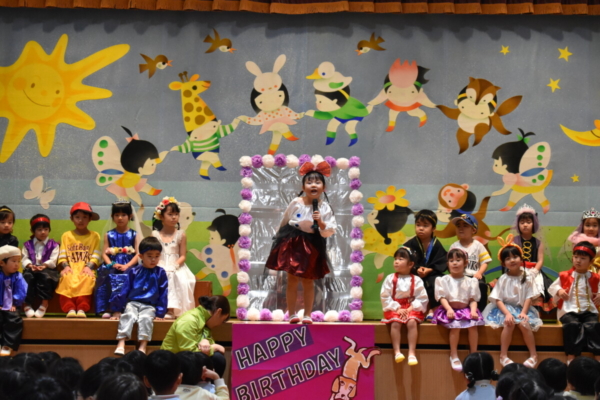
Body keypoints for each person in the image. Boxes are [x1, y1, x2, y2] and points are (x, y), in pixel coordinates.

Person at [264, 161, 337, 324]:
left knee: (308, 280)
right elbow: (285, 220)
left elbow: (330, 229)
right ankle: (292, 314)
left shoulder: (324, 207)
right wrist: (278, 239)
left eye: (317, 182)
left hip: (312, 244)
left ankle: (307, 315)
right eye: (309, 182)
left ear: (324, 188)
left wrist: (321, 222)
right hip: (293, 242)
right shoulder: (296, 202)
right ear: (303, 187)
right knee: (291, 279)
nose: (313, 185)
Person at [483, 235, 542, 368]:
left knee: (524, 324)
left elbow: (529, 297)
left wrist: (524, 312)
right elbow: (497, 299)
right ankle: (503, 355)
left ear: (521, 258)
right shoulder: (503, 279)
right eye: (508, 258)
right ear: (503, 263)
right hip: (504, 309)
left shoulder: (527, 277)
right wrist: (507, 314)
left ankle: (533, 355)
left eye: (515, 257)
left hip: (522, 308)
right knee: (509, 324)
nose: (512, 260)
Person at [111, 236, 168, 355]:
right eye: (149, 256)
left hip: (149, 305)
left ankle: (143, 346)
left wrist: (160, 312)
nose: (153, 259)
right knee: (129, 315)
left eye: (157, 256)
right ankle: (121, 342)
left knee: (146, 318)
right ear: (141, 256)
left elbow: (163, 292)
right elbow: (124, 290)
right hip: (133, 303)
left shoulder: (160, 272)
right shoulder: (134, 271)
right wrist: (117, 309)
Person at [432, 248, 484, 371]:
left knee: (473, 326)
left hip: (466, 310)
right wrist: (449, 309)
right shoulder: (443, 280)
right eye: (451, 261)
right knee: (455, 326)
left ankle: (473, 353)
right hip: (449, 310)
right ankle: (454, 354)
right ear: (448, 263)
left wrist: (473, 311)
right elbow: (442, 297)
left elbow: (473, 299)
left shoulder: (471, 281)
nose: (454, 263)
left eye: (458, 260)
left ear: (465, 263)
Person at [548, 241, 600, 364]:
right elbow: (552, 287)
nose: (578, 261)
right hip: (569, 310)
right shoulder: (565, 276)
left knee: (593, 325)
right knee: (572, 325)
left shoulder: (595, 277)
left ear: (591, 261)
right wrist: (559, 291)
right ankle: (571, 356)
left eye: (583, 258)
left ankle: (598, 355)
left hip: (588, 310)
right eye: (576, 257)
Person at [161, 296, 230, 378]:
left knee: (216, 358)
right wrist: (214, 347)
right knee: (217, 359)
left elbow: (207, 341)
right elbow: (188, 354)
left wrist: (206, 341)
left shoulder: (205, 320)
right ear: (218, 312)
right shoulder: (189, 320)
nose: (219, 324)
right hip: (170, 365)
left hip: (184, 362)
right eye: (222, 320)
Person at [380, 246, 428, 366]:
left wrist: (410, 308)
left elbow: (422, 297)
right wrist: (397, 308)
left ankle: (412, 353)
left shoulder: (416, 280)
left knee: (411, 322)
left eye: (401, 259)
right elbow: (385, 296)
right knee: (396, 323)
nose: (396, 261)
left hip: (411, 307)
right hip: (395, 307)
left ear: (410, 264)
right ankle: (397, 352)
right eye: (395, 259)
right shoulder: (390, 278)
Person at [55, 202, 101, 318]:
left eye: (85, 217)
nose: (81, 220)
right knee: (66, 278)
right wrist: (65, 266)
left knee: (87, 279)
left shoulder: (95, 236)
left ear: (90, 219)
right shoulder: (66, 235)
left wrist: (89, 267)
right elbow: (63, 253)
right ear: (72, 218)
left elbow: (96, 254)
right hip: (71, 267)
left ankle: (81, 308)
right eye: (77, 217)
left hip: (86, 268)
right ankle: (70, 308)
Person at [152, 196, 196, 319]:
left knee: (175, 276)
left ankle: (171, 310)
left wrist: (174, 265)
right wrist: (159, 264)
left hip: (177, 265)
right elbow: (153, 253)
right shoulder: (155, 234)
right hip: (159, 263)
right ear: (161, 216)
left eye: (176, 214)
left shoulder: (181, 234)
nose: (174, 217)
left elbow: (183, 256)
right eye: (170, 214)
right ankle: (157, 308)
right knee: (162, 274)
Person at [96, 201, 139, 319]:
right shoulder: (109, 234)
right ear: (112, 216)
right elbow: (104, 254)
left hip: (129, 264)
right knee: (105, 274)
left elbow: (138, 254)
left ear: (130, 216)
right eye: (117, 215)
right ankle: (107, 308)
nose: (120, 218)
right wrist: (111, 264)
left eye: (123, 215)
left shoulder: (134, 234)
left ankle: (122, 309)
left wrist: (127, 265)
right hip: (112, 263)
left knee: (125, 276)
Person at [403, 209, 447, 320]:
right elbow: (404, 260)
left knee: (438, 280)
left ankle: (433, 308)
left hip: (431, 274)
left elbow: (442, 261)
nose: (421, 228)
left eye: (425, 225)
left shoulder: (436, 244)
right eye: (418, 225)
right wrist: (416, 269)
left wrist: (430, 270)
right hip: (415, 273)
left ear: (433, 228)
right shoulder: (409, 244)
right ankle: (413, 309)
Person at [512, 204, 555, 313]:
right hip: (517, 270)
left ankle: (534, 313)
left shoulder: (539, 242)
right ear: (518, 225)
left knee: (538, 289)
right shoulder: (514, 241)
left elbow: (540, 260)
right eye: (522, 222)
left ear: (534, 224)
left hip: (533, 271)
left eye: (528, 222)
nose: (525, 225)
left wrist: (534, 271)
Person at [449, 214, 491, 312]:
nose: (461, 228)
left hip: (474, 277)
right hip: (460, 276)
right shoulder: (454, 246)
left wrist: (479, 273)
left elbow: (485, 261)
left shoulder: (478, 245)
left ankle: (480, 312)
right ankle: (457, 311)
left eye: (465, 226)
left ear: (473, 230)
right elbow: (450, 262)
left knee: (481, 286)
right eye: (458, 226)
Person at [21, 214, 60, 318]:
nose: (43, 232)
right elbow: (24, 258)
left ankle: (44, 303)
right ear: (33, 231)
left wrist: (44, 265)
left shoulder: (54, 245)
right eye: (39, 229)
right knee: (27, 277)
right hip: (31, 268)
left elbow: (53, 259)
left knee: (45, 277)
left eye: (46, 229)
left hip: (48, 269)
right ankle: (27, 304)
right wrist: (30, 265)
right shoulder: (27, 245)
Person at [0, 245, 27, 357]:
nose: (17, 264)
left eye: (18, 261)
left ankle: (7, 345)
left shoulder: (18, 277)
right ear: (2, 263)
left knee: (14, 319)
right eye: (13, 261)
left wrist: (15, 303)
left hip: (12, 305)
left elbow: (21, 290)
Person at [568, 208, 600, 273]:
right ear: (582, 226)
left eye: (595, 226)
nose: (591, 228)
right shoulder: (577, 241)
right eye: (587, 225)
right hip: (582, 271)